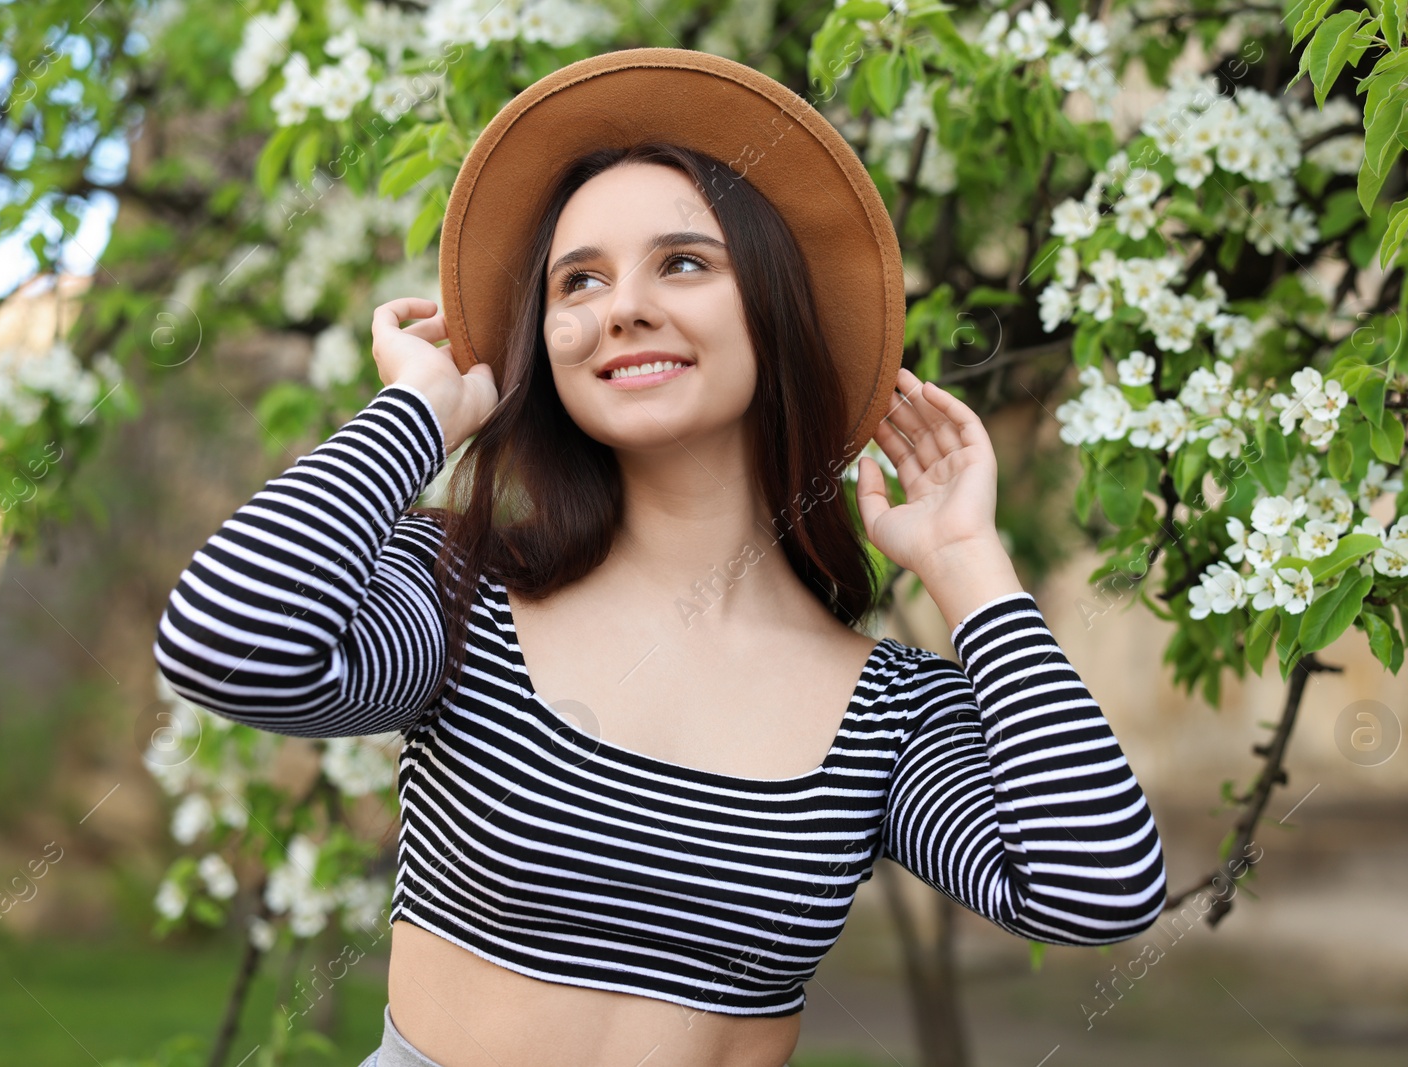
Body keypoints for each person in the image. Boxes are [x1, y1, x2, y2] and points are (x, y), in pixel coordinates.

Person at [154, 48, 1165, 1067]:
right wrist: (424, 410)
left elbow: (1098, 891)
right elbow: (225, 647)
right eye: (577, 280)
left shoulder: (887, 711)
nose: (619, 307)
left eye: (683, 262)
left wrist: (968, 566)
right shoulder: (459, 592)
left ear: (772, 309)